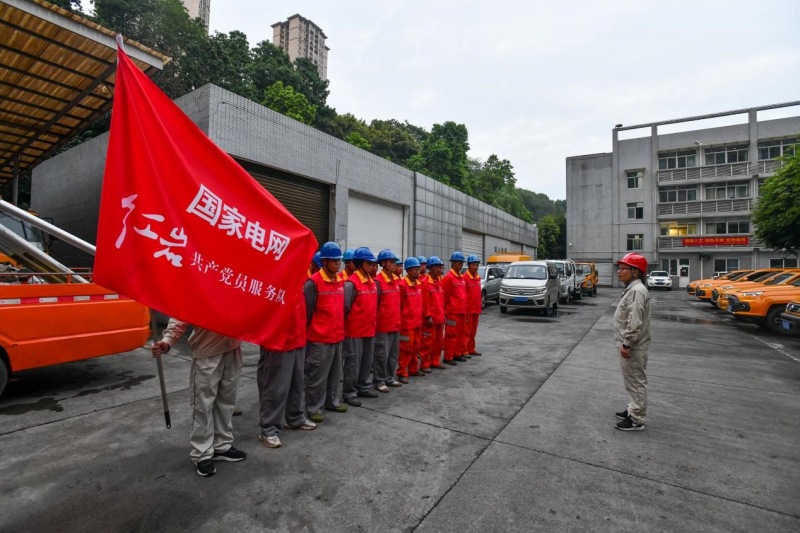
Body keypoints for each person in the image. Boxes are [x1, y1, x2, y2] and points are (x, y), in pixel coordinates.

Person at [152, 320, 246, 477]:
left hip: (233, 349)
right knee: (203, 406)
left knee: (226, 402)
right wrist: (168, 341)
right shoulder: (198, 294)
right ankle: (202, 453)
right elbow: (180, 314)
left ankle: (222, 444)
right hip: (207, 353)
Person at [256, 285, 317, 449]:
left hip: (298, 336)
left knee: (297, 383)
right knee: (276, 386)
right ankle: (268, 428)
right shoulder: (276, 273)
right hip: (278, 339)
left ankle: (294, 417)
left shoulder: (301, 278)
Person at [304, 242, 346, 424]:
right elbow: (307, 311)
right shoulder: (313, 282)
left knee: (335, 374)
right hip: (319, 338)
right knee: (317, 376)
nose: (338, 264)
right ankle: (314, 407)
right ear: (325, 261)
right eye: (335, 261)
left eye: (339, 261)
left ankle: (332, 401)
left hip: (337, 335)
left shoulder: (339, 281)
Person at [613, 252, 652, 431]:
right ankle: (633, 409)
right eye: (619, 268)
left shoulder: (637, 291)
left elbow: (634, 321)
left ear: (635, 272)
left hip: (633, 346)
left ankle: (636, 419)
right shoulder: (634, 289)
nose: (619, 272)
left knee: (636, 381)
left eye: (623, 269)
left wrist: (627, 344)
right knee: (631, 380)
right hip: (631, 345)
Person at [342, 247, 379, 407]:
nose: (372, 266)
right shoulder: (352, 283)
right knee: (352, 363)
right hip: (354, 331)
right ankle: (349, 392)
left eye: (372, 263)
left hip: (369, 329)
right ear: (360, 263)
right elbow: (345, 307)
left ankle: (364, 386)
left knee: (366, 361)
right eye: (368, 263)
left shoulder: (371, 282)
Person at [373, 248, 403, 392]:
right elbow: (374, 305)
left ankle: (390, 378)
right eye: (391, 262)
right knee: (381, 355)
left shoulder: (395, 281)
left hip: (395, 324)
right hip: (383, 326)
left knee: (393, 354)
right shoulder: (378, 282)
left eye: (394, 262)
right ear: (383, 263)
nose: (394, 265)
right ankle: (379, 381)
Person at [396, 257, 423, 383]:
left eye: (418, 269)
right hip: (406, 325)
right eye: (416, 270)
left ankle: (413, 369)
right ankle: (402, 372)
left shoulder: (418, 284)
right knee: (406, 349)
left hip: (417, 323)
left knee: (415, 347)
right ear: (409, 270)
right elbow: (399, 306)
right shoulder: (402, 285)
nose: (418, 272)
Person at [442, 251, 467, 365]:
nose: (460, 265)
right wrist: (447, 311)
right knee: (451, 335)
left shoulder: (461, 277)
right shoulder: (448, 278)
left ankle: (457, 353)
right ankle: (448, 356)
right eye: (458, 263)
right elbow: (445, 296)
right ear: (453, 263)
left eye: (461, 263)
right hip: (452, 312)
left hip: (461, 311)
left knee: (460, 334)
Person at [421, 255, 446, 371]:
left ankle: (435, 361)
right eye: (436, 267)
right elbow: (424, 302)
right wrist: (428, 316)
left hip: (440, 317)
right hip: (430, 319)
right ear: (430, 268)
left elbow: (442, 299)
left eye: (440, 267)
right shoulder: (425, 282)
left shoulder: (439, 281)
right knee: (428, 343)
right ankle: (425, 364)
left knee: (439, 342)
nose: (439, 269)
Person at [463, 255, 483, 357]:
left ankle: (471, 348)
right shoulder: (465, 278)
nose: (475, 267)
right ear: (469, 266)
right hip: (468, 310)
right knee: (466, 331)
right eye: (473, 265)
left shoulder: (478, 277)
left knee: (473, 332)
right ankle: (464, 350)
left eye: (477, 265)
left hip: (476, 309)